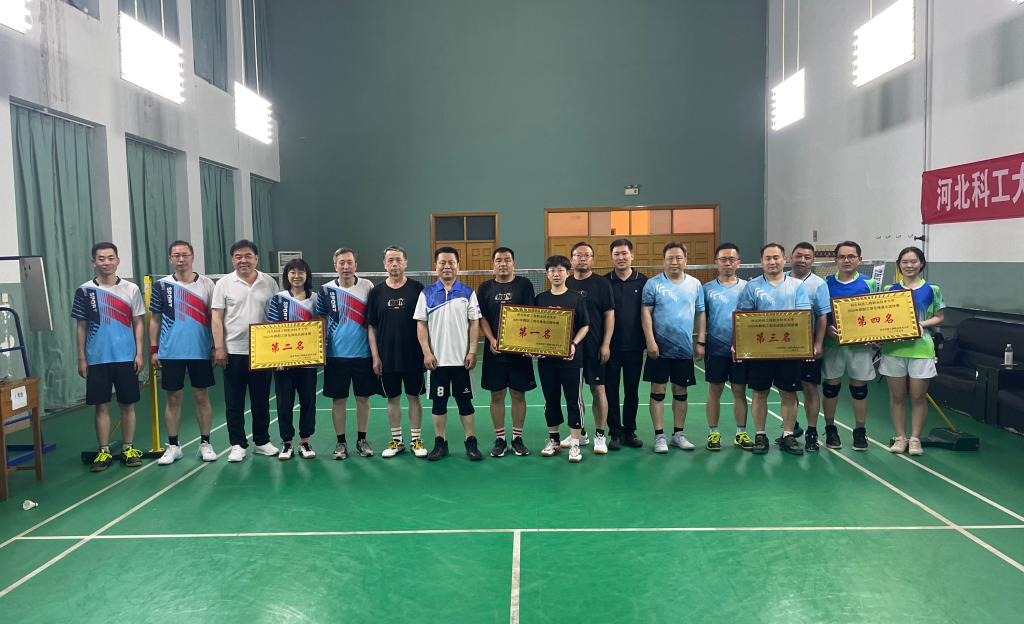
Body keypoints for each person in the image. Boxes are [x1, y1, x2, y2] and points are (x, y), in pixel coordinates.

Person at [74, 242, 146, 472]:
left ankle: (128, 448)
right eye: (101, 258)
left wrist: (139, 353)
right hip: (97, 358)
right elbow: (81, 326)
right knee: (101, 407)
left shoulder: (131, 289)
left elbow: (138, 322)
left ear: (117, 260)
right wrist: (81, 358)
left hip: (126, 357)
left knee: (127, 405)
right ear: (93, 262)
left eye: (110, 258)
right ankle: (103, 451)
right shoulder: (84, 291)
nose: (106, 262)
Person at [736, 243, 813, 456]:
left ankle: (788, 435)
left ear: (784, 259)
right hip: (760, 352)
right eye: (768, 258)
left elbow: (803, 318)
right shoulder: (752, 287)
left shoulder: (797, 286)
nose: (772, 262)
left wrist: (805, 347)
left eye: (776, 257)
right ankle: (760, 435)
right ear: (761, 262)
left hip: (789, 351)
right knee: (759, 393)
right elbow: (743, 319)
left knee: (788, 393)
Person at [212, 239, 280, 462]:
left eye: (248, 256)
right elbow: (217, 317)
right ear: (232, 260)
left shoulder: (269, 282)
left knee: (261, 400)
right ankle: (237, 444)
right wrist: (219, 347)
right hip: (233, 352)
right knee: (234, 402)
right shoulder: (223, 284)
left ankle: (261, 442)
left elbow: (277, 316)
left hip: (263, 352)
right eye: (238, 256)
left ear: (256, 259)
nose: (243, 260)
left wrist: (277, 351)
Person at [151, 240, 217, 465]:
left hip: (200, 350)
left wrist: (215, 346)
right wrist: (154, 349)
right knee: (173, 398)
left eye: (185, 255)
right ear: (170, 259)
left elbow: (215, 318)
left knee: (201, 396)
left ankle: (205, 443)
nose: (181, 259)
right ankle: (173, 446)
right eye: (176, 255)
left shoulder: (207, 284)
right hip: (171, 352)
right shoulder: (161, 286)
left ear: (192, 256)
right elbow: (155, 320)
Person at [414, 246, 483, 461]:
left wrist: (472, 351)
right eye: (442, 262)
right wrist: (427, 353)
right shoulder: (426, 294)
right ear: (436, 266)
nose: (447, 266)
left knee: (465, 404)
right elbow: (421, 325)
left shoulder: (468, 292)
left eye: (451, 262)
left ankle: (471, 442)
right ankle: (440, 443)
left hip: (462, 361)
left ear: (458, 266)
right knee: (438, 404)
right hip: (437, 362)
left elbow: (474, 323)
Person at [641, 241, 706, 454]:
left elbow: (701, 313)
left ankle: (678, 434)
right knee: (658, 391)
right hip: (659, 349)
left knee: (680, 391)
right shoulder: (652, 284)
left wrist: (701, 341)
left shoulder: (695, 284)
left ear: (685, 260)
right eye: (670, 258)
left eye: (679, 258)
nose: (675, 262)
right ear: (664, 261)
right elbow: (646, 313)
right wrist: (650, 341)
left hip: (683, 349)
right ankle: (659, 436)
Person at [880, 246, 945, 456]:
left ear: (921, 263)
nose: (909, 265)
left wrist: (921, 324)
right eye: (905, 262)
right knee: (897, 396)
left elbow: (939, 317)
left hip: (921, 350)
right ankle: (901, 437)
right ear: (899, 265)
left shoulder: (932, 289)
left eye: (913, 261)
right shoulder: (889, 289)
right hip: (893, 350)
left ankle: (915, 438)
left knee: (918, 396)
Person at [366, 246, 427, 458]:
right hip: (387, 357)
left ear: (405, 263)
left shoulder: (418, 289)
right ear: (384, 264)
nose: (394, 264)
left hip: (413, 356)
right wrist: (375, 356)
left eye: (398, 260)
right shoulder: (376, 293)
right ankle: (397, 441)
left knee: (414, 397)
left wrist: (426, 352)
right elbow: (372, 327)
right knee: (392, 399)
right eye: (390, 260)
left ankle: (416, 440)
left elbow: (425, 323)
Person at [317, 247, 378, 460]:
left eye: (349, 262)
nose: (345, 266)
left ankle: (362, 440)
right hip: (336, 356)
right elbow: (321, 320)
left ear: (355, 265)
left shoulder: (367, 286)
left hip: (363, 354)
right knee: (338, 400)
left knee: (363, 399)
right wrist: (321, 349)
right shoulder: (325, 290)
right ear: (335, 266)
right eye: (341, 263)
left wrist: (375, 353)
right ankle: (340, 442)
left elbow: (372, 321)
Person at [476, 247, 536, 457]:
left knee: (518, 394)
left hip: (519, 352)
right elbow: (482, 317)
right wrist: (491, 339)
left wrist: (526, 343)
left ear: (513, 263)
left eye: (507, 260)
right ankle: (500, 439)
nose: (503, 263)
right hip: (495, 352)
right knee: (497, 394)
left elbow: (530, 314)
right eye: (499, 260)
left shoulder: (524, 285)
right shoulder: (485, 288)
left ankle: (517, 438)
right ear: (493, 264)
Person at [822, 241, 879, 451]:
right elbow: (821, 312)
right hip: (833, 344)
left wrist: (873, 334)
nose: (846, 260)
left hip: (860, 346)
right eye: (842, 257)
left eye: (851, 256)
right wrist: (827, 328)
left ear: (859, 259)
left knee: (859, 389)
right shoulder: (826, 283)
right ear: (836, 260)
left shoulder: (870, 283)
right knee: (831, 388)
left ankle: (860, 431)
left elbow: (877, 311)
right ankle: (830, 429)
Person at [535, 255, 590, 464]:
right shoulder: (540, 299)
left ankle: (575, 442)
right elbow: (534, 327)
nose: (556, 274)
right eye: (552, 271)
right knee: (550, 399)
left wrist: (573, 343)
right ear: (547, 274)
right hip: (547, 361)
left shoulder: (576, 298)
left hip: (571, 360)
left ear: (567, 273)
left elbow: (585, 325)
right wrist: (534, 348)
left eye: (560, 270)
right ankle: (554, 440)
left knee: (573, 400)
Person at [701, 243, 753, 451]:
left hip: (741, 350)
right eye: (723, 259)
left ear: (738, 262)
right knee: (715, 390)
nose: (728, 263)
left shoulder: (748, 287)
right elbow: (702, 318)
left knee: (739, 391)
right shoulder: (706, 289)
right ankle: (713, 433)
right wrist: (701, 342)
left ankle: (741, 433)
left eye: (732, 259)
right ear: (716, 262)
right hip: (715, 349)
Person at [266, 258, 319, 460]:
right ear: (287, 275)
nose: (297, 276)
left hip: (308, 363)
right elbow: (272, 329)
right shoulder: (278, 299)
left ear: (307, 275)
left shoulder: (315, 299)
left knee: (308, 401)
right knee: (284, 403)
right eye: (292, 272)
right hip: (284, 364)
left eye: (301, 272)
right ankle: (287, 443)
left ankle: (305, 441)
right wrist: (277, 359)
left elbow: (320, 328)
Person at [566, 241, 614, 454]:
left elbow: (609, 315)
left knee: (598, 389)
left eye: (586, 255)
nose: (582, 258)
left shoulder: (602, 284)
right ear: (572, 260)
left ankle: (600, 435)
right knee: (574, 392)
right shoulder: (566, 282)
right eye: (578, 255)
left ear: (592, 259)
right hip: (571, 348)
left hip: (595, 346)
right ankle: (580, 433)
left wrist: (606, 344)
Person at [604, 238, 647, 450]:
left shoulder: (643, 281)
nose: (621, 257)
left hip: (635, 347)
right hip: (610, 348)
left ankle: (629, 430)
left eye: (624, 253)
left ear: (632, 255)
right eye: (617, 254)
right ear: (611, 257)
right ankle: (614, 433)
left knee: (632, 391)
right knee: (611, 391)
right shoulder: (604, 282)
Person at [787, 242, 830, 452]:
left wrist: (818, 343)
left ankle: (811, 431)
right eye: (799, 256)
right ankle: (791, 428)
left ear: (813, 260)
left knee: (809, 387)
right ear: (790, 257)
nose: (802, 260)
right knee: (787, 389)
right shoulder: (780, 279)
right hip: (783, 346)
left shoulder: (819, 284)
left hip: (807, 345)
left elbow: (822, 317)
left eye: (807, 257)